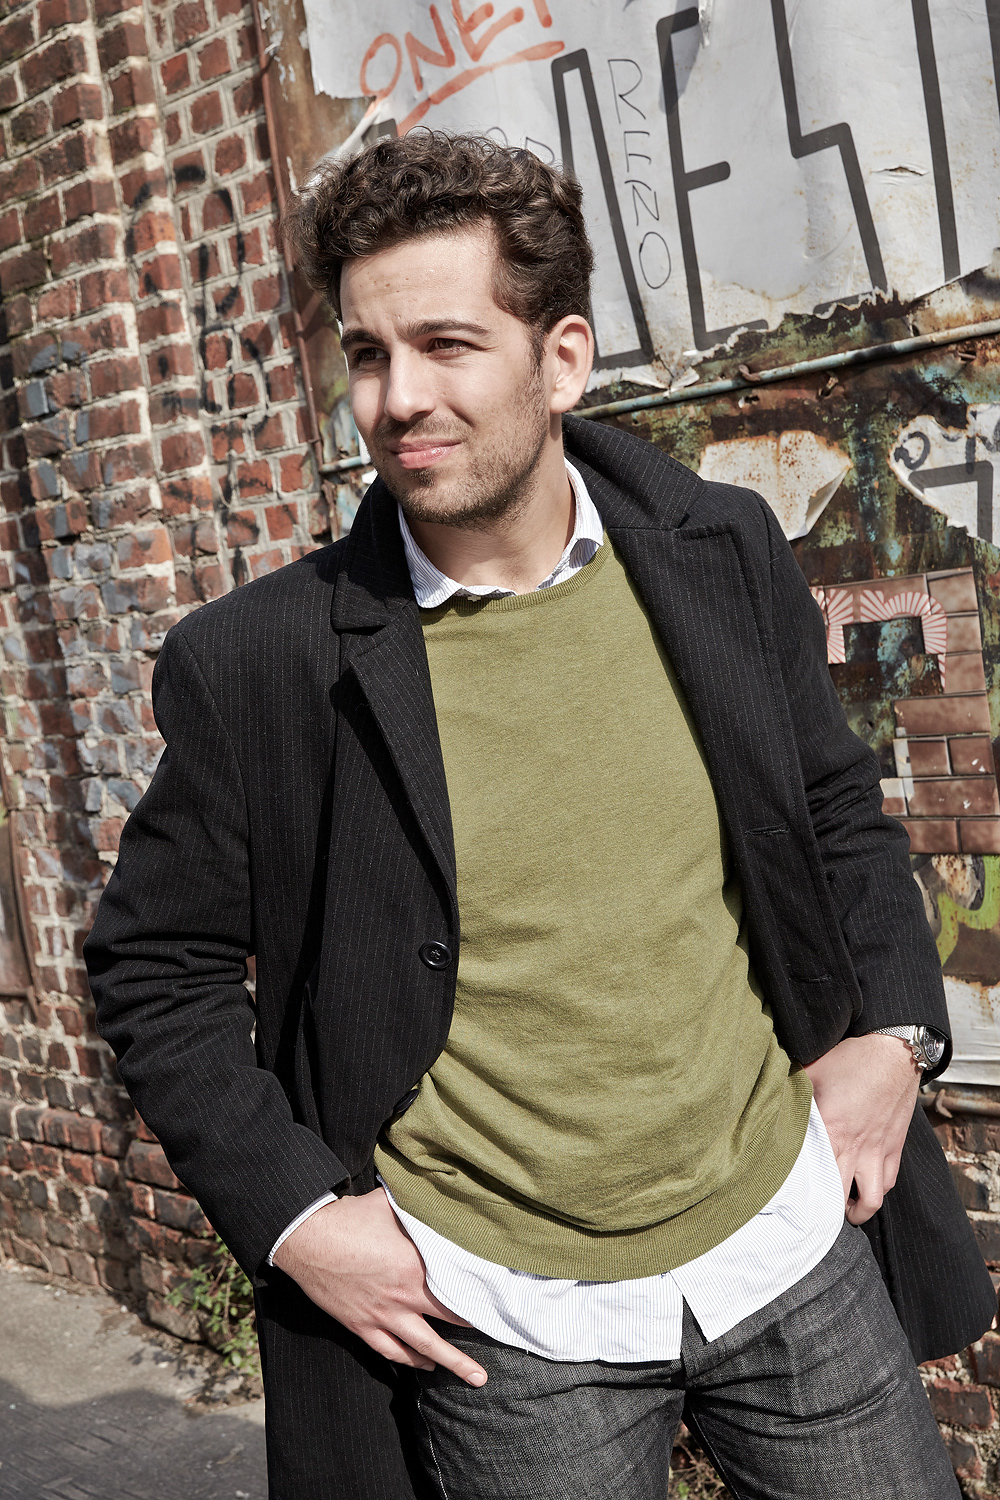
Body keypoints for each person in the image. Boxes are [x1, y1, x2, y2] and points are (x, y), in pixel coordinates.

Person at [85, 133, 995, 1500]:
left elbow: (831, 805)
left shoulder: (716, 548)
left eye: (448, 344)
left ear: (561, 359)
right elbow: (155, 967)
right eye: (368, 353)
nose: (399, 398)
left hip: (787, 1239)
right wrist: (297, 1217)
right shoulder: (266, 662)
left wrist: (895, 1034)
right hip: (501, 1321)